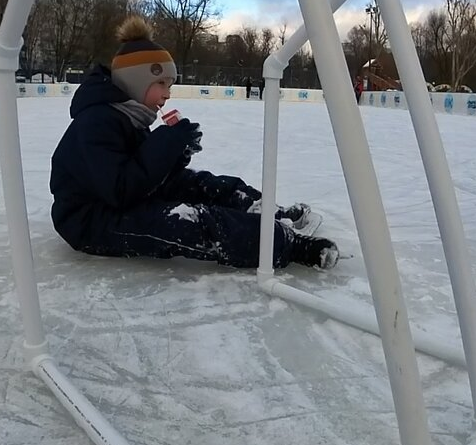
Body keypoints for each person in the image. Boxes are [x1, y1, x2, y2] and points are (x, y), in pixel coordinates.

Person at [50, 17, 338, 270]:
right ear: (136, 81)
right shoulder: (96, 122)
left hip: (123, 200)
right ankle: (286, 244)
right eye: (162, 84)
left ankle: (266, 210)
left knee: (202, 183)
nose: (168, 94)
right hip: (91, 220)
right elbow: (120, 189)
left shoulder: (126, 116)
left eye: (170, 85)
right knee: (188, 221)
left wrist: (177, 153)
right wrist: (165, 143)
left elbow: (142, 172)